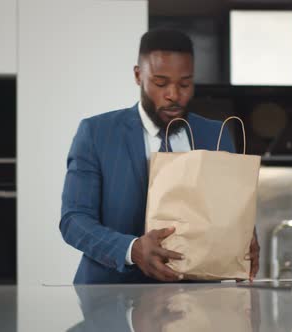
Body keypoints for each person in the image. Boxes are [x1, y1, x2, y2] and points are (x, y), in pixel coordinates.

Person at [59, 28, 259, 284]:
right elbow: (74, 220)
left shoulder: (216, 133)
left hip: (198, 304)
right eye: (161, 83)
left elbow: (233, 211)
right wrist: (131, 250)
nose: (174, 95)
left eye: (185, 84)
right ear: (138, 75)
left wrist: (245, 238)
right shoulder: (97, 133)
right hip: (111, 301)